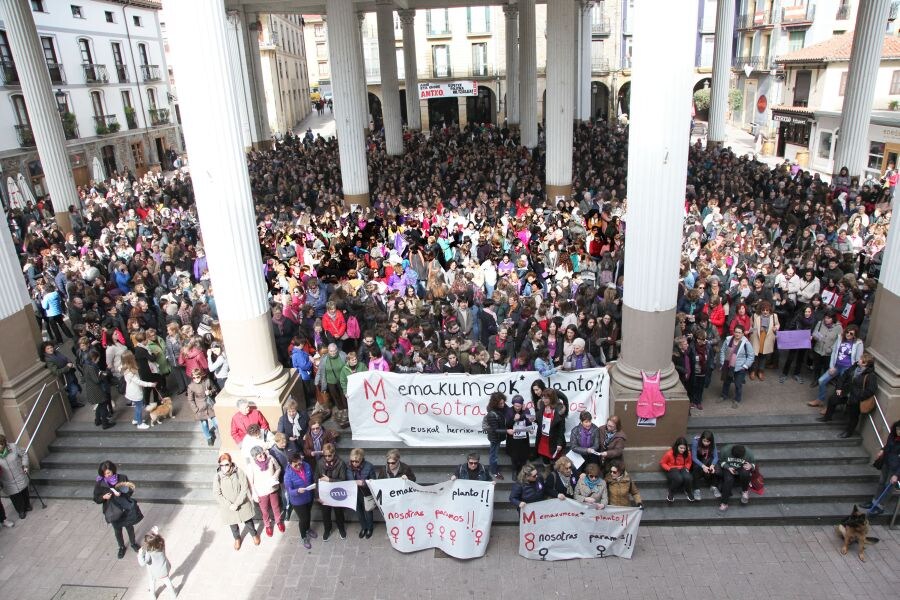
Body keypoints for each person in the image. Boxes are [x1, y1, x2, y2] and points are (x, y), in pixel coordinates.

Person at [817, 352, 877, 438]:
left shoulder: (871, 376)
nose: (858, 360)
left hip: (856, 398)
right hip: (845, 393)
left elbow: (871, 390)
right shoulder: (854, 367)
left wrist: (858, 395)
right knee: (833, 399)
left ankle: (848, 432)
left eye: (861, 359)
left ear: (865, 363)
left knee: (853, 416)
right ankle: (827, 417)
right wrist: (839, 388)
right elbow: (844, 376)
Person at [93, 460, 142, 559]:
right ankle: (121, 547)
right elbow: (96, 498)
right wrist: (103, 497)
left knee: (129, 527)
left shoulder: (122, 478)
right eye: (105, 473)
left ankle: (133, 543)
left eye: (109, 472)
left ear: (113, 471)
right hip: (113, 510)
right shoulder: (100, 483)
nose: (107, 475)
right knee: (117, 530)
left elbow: (130, 490)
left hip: (125, 508)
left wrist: (122, 493)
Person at [213, 453, 260, 550]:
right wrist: (229, 505)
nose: (224, 467)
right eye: (222, 465)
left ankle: (254, 535)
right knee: (233, 525)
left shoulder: (238, 472)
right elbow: (217, 493)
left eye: (226, 464)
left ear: (230, 463)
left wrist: (237, 503)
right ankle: (237, 538)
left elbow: (244, 488)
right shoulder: (217, 476)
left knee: (248, 521)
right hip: (228, 507)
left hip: (242, 503)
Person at [813, 325, 863, 408]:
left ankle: (830, 407)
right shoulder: (840, 338)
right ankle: (820, 400)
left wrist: (853, 373)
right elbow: (834, 352)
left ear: (855, 335)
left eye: (851, 333)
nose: (848, 334)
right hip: (836, 366)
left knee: (839, 387)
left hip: (847, 368)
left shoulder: (858, 343)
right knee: (821, 380)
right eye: (847, 332)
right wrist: (831, 366)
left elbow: (858, 360)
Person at [863, 419, 900, 515]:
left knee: (889, 485)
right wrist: (882, 450)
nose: (898, 432)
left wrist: (896, 475)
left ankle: (880, 505)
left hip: (895, 467)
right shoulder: (893, 436)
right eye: (898, 429)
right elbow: (888, 446)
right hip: (887, 463)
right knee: (881, 482)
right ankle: (874, 502)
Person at [247, 446, 285, 537]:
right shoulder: (251, 465)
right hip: (261, 491)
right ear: (254, 457)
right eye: (260, 456)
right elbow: (250, 481)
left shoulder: (271, 458)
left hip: (272, 488)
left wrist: (275, 476)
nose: (263, 457)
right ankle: (268, 525)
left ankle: (278, 521)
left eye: (263, 454)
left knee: (276, 507)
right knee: (264, 511)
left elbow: (278, 468)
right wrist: (254, 493)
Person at [314, 443, 348, 540]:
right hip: (324, 493)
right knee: (325, 513)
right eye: (325, 455)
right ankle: (327, 529)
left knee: (339, 512)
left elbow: (343, 480)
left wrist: (330, 480)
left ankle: (341, 528)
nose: (327, 457)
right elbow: (316, 479)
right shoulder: (320, 463)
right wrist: (317, 496)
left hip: (337, 492)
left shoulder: (341, 463)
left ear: (334, 453)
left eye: (330, 455)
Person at [284, 452, 316, 549]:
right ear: (290, 464)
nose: (298, 466)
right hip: (298, 501)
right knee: (303, 519)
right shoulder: (288, 475)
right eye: (295, 465)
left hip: (308, 496)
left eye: (299, 463)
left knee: (308, 514)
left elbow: (312, 478)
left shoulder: (306, 465)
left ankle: (308, 529)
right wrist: (297, 491)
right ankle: (303, 536)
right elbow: (289, 491)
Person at [719, 324, 755, 408]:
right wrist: (722, 362)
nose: (737, 334)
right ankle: (723, 396)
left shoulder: (746, 343)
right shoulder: (728, 340)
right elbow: (722, 351)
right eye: (736, 332)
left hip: (739, 368)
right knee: (726, 382)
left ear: (743, 334)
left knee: (738, 384)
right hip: (728, 366)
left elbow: (751, 356)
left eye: (739, 332)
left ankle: (737, 400)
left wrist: (745, 366)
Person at [137, 527, 177, 599]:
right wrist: (156, 533)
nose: (145, 543)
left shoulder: (149, 552)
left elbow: (143, 563)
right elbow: (157, 539)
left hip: (153, 570)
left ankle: (152, 595)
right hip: (164, 568)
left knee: (152, 581)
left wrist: (140, 554)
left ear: (149, 544)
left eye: (146, 542)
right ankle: (173, 594)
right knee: (167, 581)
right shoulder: (161, 544)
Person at [121, 350, 156, 430]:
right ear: (130, 359)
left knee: (137, 407)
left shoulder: (125, 369)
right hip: (135, 393)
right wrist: (150, 384)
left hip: (131, 392)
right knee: (139, 408)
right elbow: (139, 382)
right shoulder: (130, 372)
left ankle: (136, 419)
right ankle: (140, 423)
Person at [0, 435, 31, 520]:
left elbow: (24, 454)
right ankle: (20, 510)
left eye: (1, 444)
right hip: (7, 480)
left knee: (24, 491)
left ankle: (27, 505)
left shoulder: (13, 446)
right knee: (15, 496)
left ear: (5, 443)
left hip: (19, 474)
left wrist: (25, 465)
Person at [717, 444, 755, 511]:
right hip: (729, 467)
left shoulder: (749, 453)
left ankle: (745, 491)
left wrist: (751, 466)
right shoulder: (725, 450)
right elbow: (720, 461)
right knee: (729, 480)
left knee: (745, 473)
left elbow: (753, 464)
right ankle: (724, 502)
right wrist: (728, 467)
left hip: (741, 468)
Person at [348, 448, 376, 539]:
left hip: (366, 493)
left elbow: (374, 482)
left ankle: (369, 528)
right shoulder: (349, 467)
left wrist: (364, 483)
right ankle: (363, 528)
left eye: (356, 461)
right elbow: (346, 479)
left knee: (368, 512)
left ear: (361, 459)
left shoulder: (369, 466)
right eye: (352, 461)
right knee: (359, 513)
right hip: (354, 493)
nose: (354, 463)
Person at [186, 367, 219, 446]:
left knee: (216, 422)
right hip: (200, 408)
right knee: (204, 424)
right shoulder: (191, 386)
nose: (196, 379)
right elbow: (190, 400)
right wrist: (196, 410)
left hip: (209, 406)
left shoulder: (207, 381)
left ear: (201, 375)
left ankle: (223, 435)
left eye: (198, 377)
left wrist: (210, 392)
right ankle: (208, 437)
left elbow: (215, 388)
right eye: (194, 377)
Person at [83, 349, 115, 429]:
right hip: (97, 390)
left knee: (100, 405)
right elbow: (97, 380)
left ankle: (97, 420)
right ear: (94, 358)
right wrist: (105, 373)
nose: (98, 360)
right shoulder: (91, 367)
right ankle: (105, 423)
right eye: (97, 358)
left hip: (92, 389)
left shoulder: (86, 365)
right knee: (103, 405)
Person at [504, 395, 533, 479]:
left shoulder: (526, 410)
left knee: (523, 456)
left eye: (519, 406)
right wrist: (514, 419)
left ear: (522, 405)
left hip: (523, 438)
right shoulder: (509, 411)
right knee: (514, 456)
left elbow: (530, 422)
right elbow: (507, 425)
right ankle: (514, 470)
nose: (517, 408)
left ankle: (522, 471)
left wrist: (523, 414)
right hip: (513, 439)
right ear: (513, 404)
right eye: (515, 406)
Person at [534, 389, 567, 464]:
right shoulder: (542, 407)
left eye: (546, 398)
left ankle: (556, 474)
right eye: (543, 397)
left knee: (556, 460)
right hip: (543, 439)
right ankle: (547, 471)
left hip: (554, 441)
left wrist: (559, 443)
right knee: (545, 458)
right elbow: (540, 422)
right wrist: (533, 419)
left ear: (551, 398)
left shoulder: (559, 411)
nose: (543, 400)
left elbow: (561, 430)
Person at [660, 436, 695, 503]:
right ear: (677, 446)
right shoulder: (669, 453)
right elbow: (662, 463)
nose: (682, 450)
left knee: (688, 478)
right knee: (679, 478)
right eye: (681, 448)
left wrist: (687, 468)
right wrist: (669, 469)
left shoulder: (688, 453)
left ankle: (688, 491)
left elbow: (689, 462)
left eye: (684, 448)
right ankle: (671, 492)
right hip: (672, 468)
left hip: (683, 468)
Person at [482, 392, 508, 479]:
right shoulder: (492, 414)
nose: (503, 404)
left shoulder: (500, 408)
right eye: (501, 403)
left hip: (497, 437)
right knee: (494, 455)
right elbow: (495, 430)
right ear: (495, 404)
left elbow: (508, 410)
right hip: (495, 438)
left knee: (494, 453)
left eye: (503, 402)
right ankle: (494, 471)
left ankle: (494, 468)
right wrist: (507, 431)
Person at [690, 430, 720, 500]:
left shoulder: (712, 443)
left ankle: (713, 486)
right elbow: (694, 457)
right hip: (698, 459)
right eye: (704, 441)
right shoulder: (696, 442)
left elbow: (716, 457)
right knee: (696, 468)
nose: (706, 443)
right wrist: (703, 466)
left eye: (708, 442)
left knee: (715, 468)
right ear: (701, 439)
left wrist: (712, 465)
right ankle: (696, 489)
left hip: (707, 458)